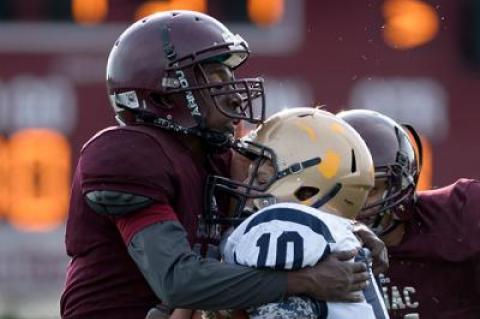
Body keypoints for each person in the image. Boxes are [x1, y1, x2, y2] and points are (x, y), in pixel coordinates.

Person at [59, 11, 383, 319]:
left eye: (230, 78)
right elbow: (177, 282)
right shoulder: (126, 154)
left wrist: (339, 233)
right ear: (163, 96)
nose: (235, 96)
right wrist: (305, 280)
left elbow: (277, 201)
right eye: (216, 80)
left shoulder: (212, 154)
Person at [208, 108, 389, 318]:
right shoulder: (328, 235)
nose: (242, 188)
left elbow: (219, 293)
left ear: (306, 192)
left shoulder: (287, 225)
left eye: (261, 180)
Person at [338, 109, 480, 319]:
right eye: (338, 191)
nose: (354, 204)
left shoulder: (461, 214)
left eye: (369, 190)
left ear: (400, 184)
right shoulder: (305, 248)